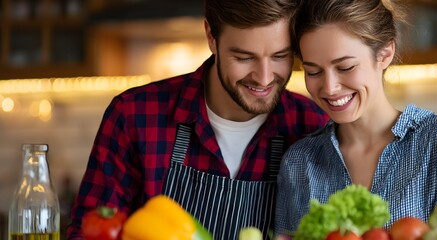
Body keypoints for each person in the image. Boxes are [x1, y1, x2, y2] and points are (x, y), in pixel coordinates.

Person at [67, 0, 329, 239]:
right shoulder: (133, 115)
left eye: (280, 56)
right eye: (244, 57)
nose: (263, 77)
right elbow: (88, 232)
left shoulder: (311, 126)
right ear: (211, 37)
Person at [274, 0, 437, 236]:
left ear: (385, 54)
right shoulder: (298, 163)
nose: (330, 87)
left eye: (345, 67)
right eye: (313, 71)